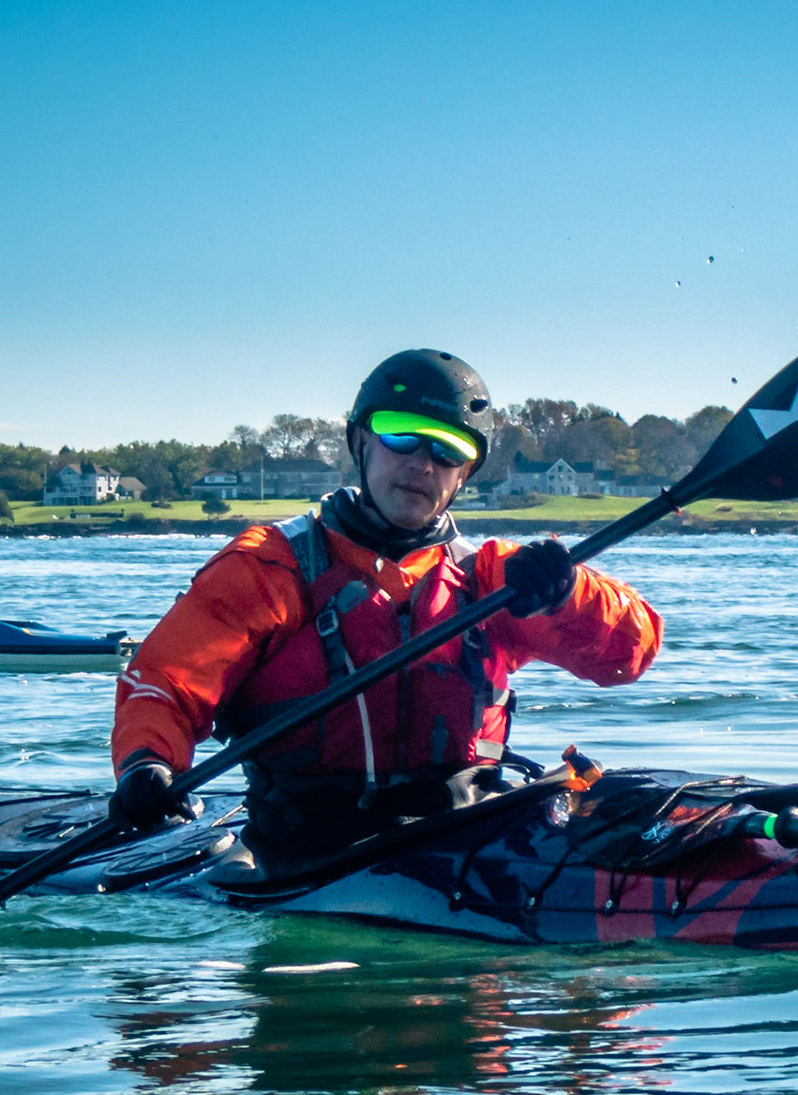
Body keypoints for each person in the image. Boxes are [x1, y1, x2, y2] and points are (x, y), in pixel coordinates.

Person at [110, 349, 663, 867]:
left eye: (449, 449)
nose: (423, 464)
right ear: (360, 441)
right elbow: (165, 682)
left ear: (465, 474)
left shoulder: (497, 579)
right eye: (401, 435)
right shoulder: (268, 568)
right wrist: (147, 762)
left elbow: (628, 655)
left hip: (470, 847)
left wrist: (568, 592)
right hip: (304, 854)